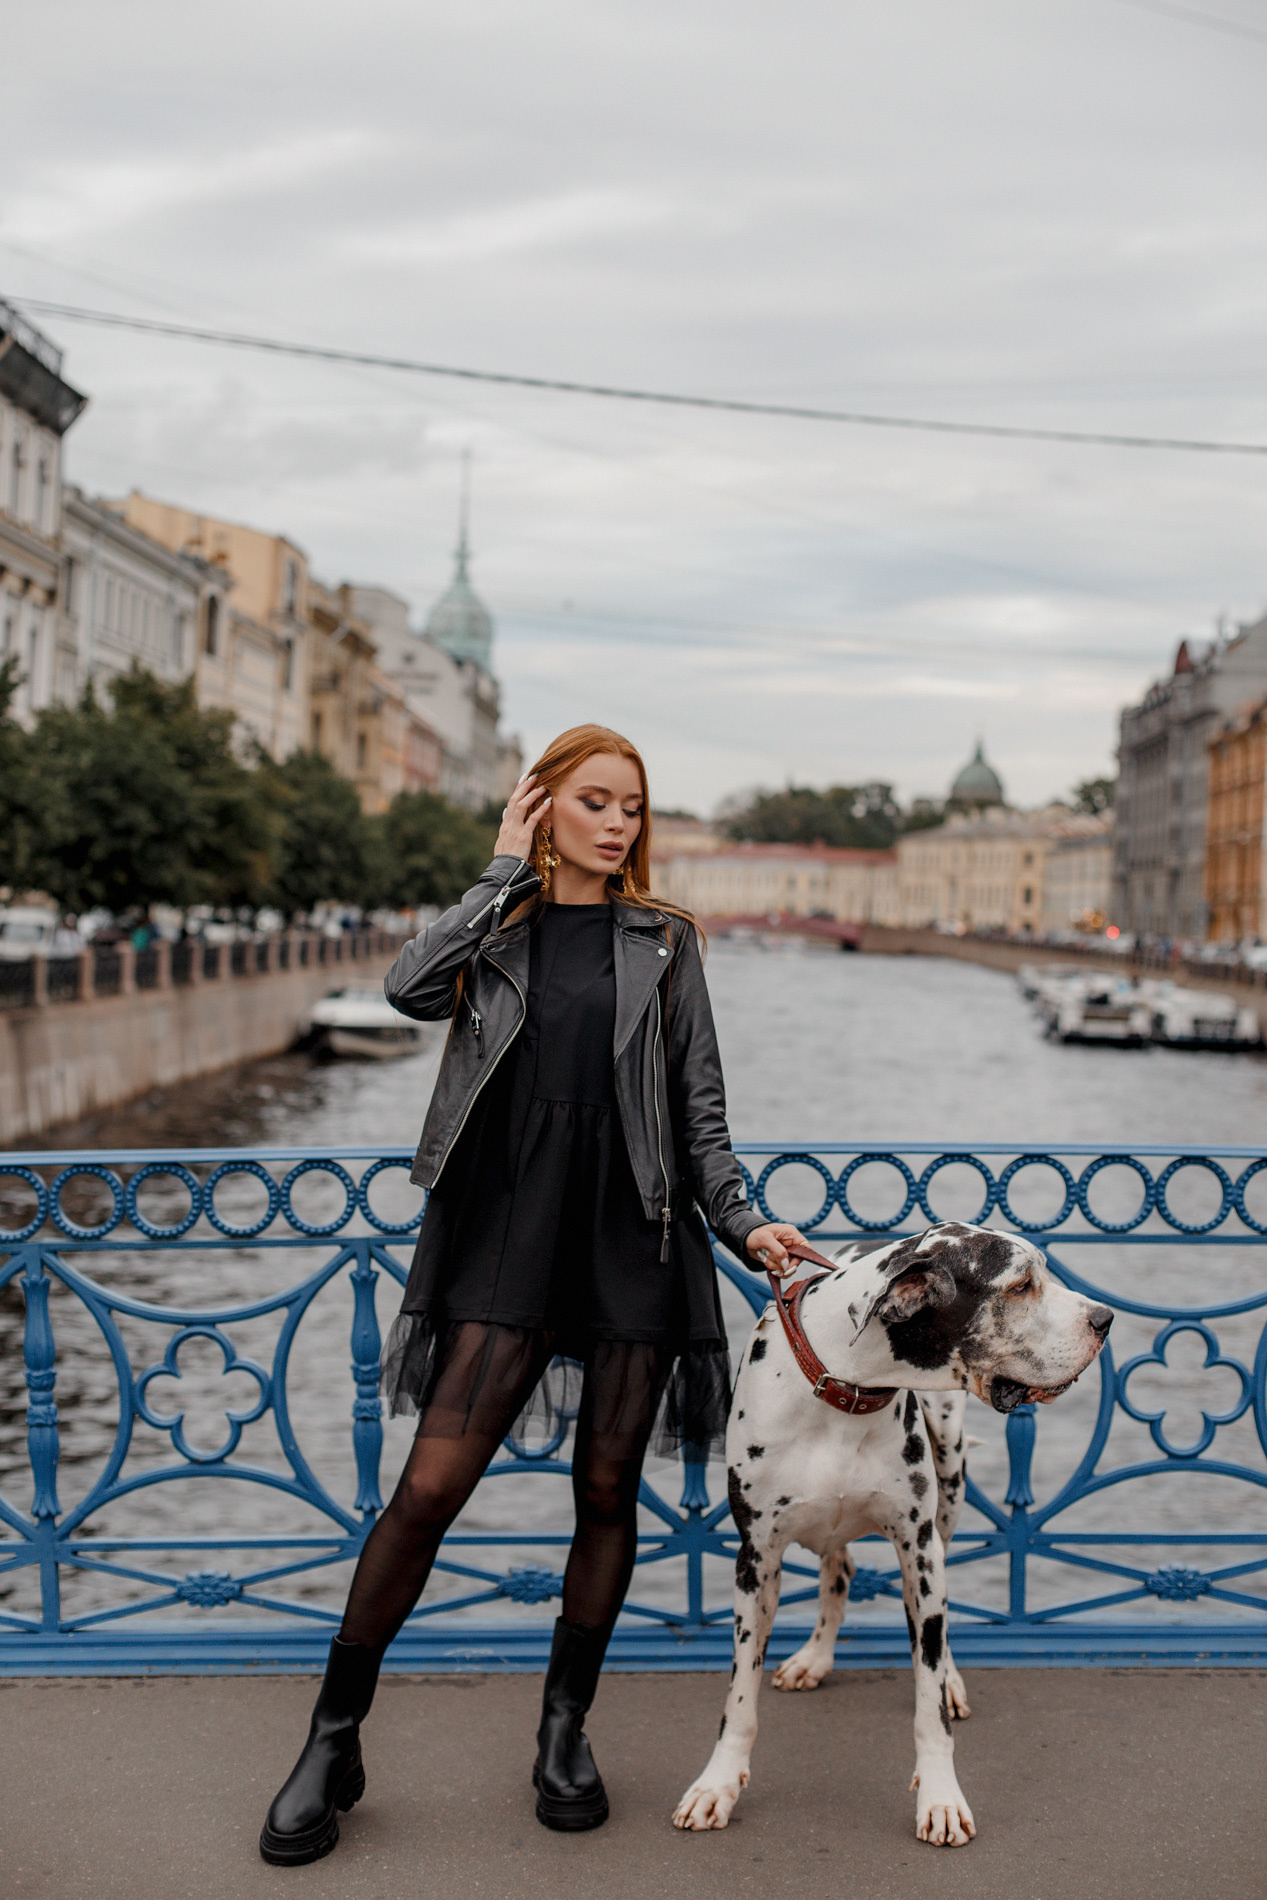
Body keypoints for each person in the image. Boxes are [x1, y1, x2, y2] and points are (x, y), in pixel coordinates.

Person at [259, 722, 807, 1866]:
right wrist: (500, 867)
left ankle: (564, 1729)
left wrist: (746, 1221)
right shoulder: (496, 927)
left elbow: (700, 1117)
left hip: (632, 1232)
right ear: (542, 804)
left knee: (606, 1491)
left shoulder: (667, 942)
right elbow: (408, 988)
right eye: (595, 801)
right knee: (428, 1488)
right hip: (506, 1230)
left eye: (633, 807)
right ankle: (332, 1736)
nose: (618, 824)